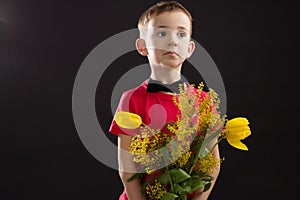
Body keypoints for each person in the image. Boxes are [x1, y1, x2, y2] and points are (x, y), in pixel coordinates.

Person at [109, 1, 220, 200]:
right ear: (142, 46)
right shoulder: (131, 99)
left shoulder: (203, 101)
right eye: (161, 33)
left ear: (189, 49)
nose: (172, 41)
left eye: (181, 34)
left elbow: (213, 164)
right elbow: (127, 170)